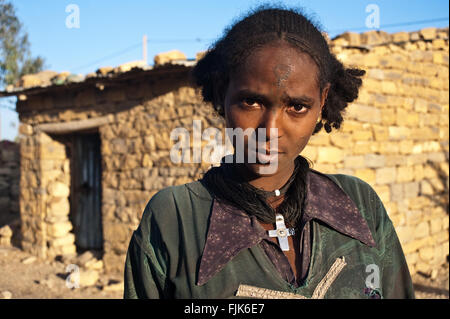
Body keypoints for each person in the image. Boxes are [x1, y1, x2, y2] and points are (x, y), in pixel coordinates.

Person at [123, 5, 415, 299]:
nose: (270, 130)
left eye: (297, 107)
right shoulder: (175, 219)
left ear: (322, 101)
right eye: (251, 102)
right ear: (223, 92)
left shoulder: (359, 205)